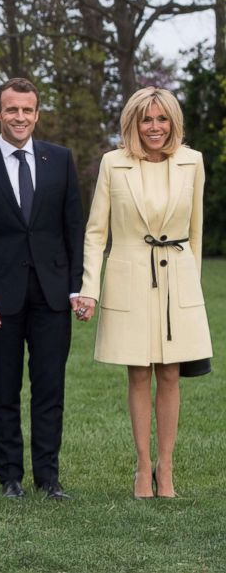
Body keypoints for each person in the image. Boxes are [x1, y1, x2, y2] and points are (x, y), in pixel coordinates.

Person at [76, 87, 213, 499]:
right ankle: (141, 467)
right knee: (138, 372)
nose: (155, 127)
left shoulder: (193, 162)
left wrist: (193, 287)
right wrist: (89, 288)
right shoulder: (113, 164)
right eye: (146, 120)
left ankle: (165, 468)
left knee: (171, 373)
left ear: (173, 122)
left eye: (162, 119)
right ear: (133, 123)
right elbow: (97, 231)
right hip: (129, 277)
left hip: (178, 279)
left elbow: (196, 233)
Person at [0, 78, 84, 500]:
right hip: (0, 299)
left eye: (27, 110)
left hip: (52, 296)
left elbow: (73, 230)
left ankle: (49, 478)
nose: (20, 117)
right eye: (11, 110)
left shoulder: (60, 160)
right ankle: (10, 478)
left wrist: (75, 288)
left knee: (50, 390)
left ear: (37, 114)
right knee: (4, 391)